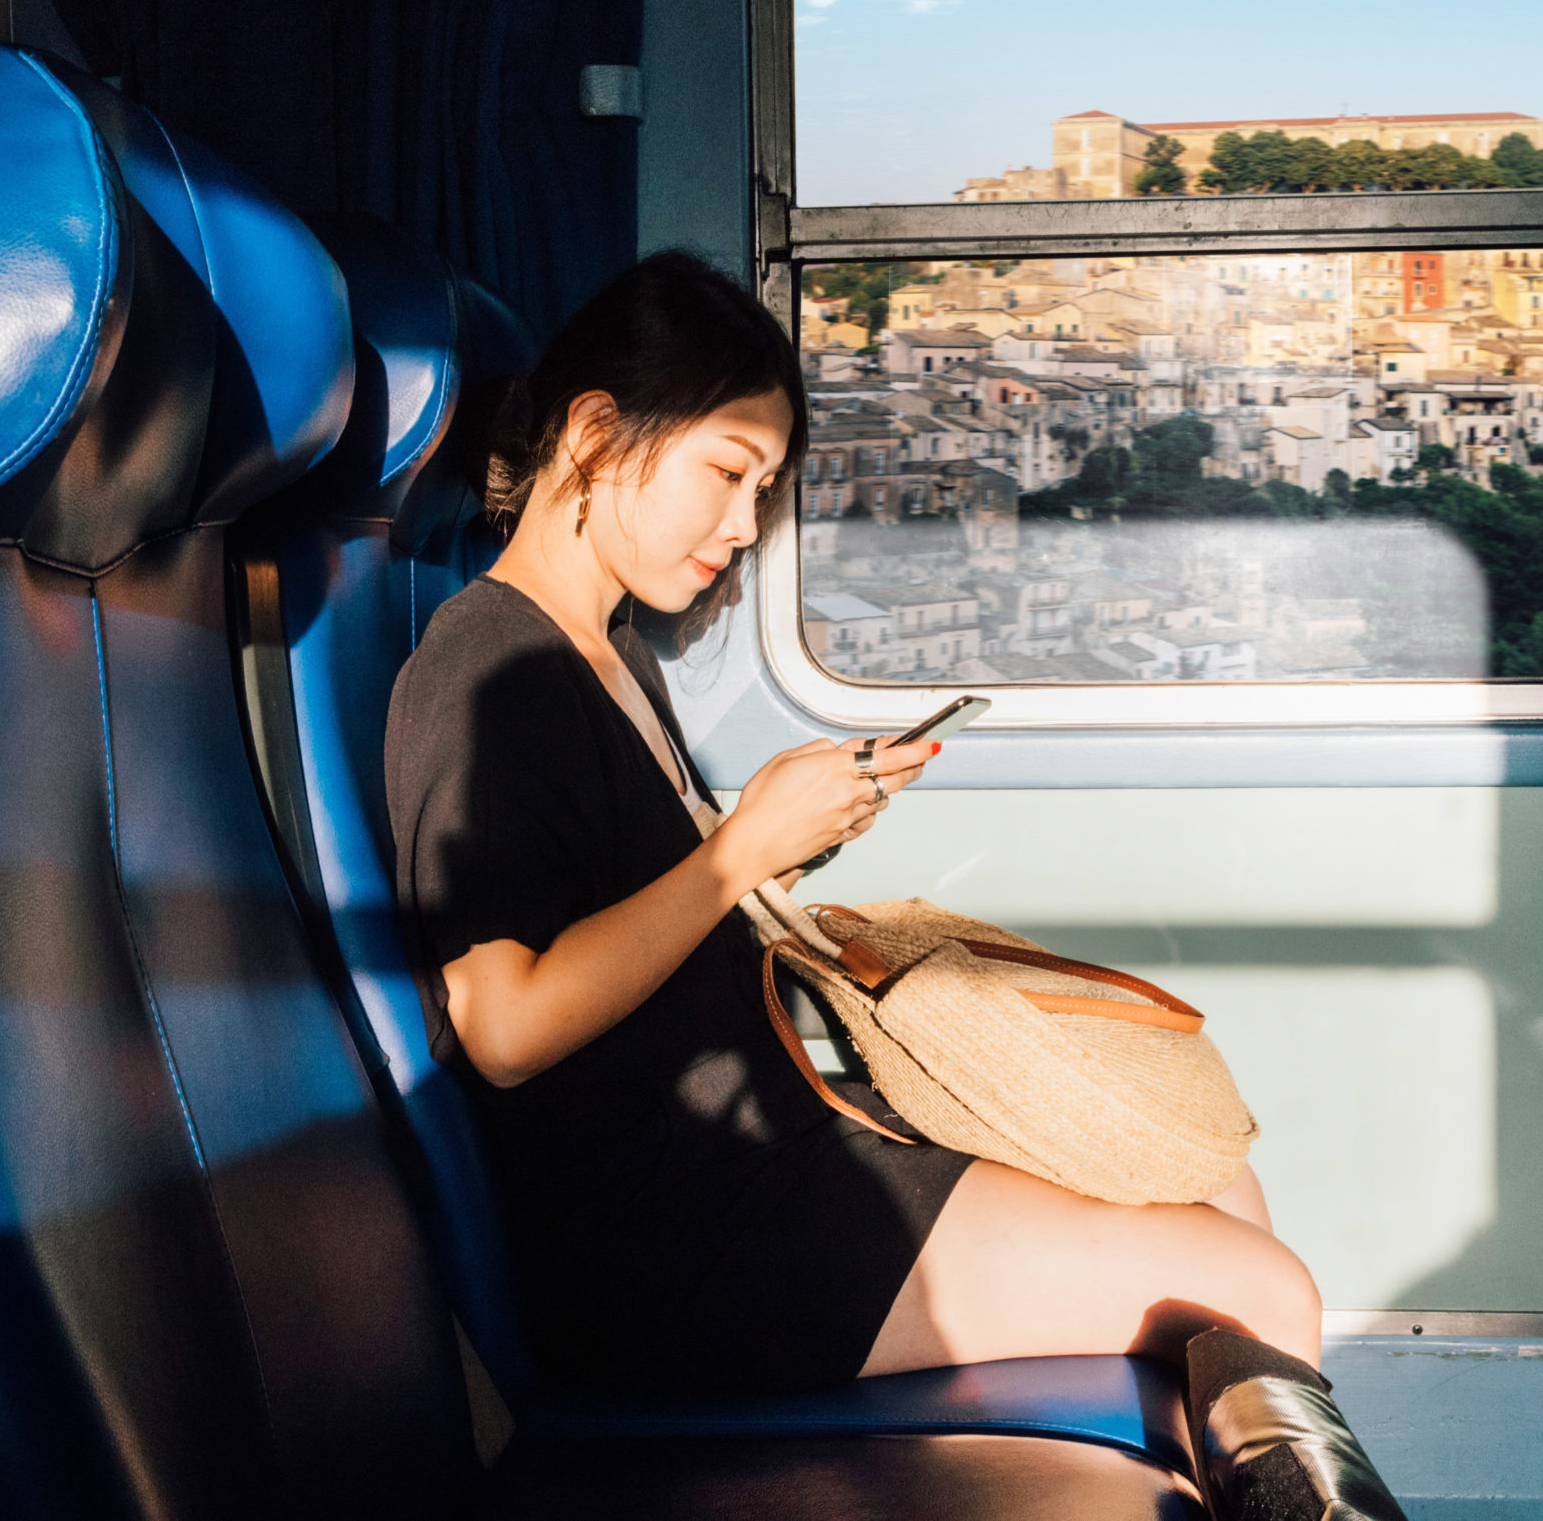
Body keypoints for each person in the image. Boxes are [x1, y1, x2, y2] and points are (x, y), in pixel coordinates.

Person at [383, 250, 1324, 1406]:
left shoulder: (610, 646)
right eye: (726, 472)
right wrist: (739, 852)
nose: (742, 524)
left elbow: (632, 887)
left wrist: (791, 833)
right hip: (671, 1233)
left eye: (761, 490)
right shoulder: (485, 670)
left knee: (1211, 1179)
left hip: (755, 1139)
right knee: (1264, 1293)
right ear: (593, 432)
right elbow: (504, 1026)